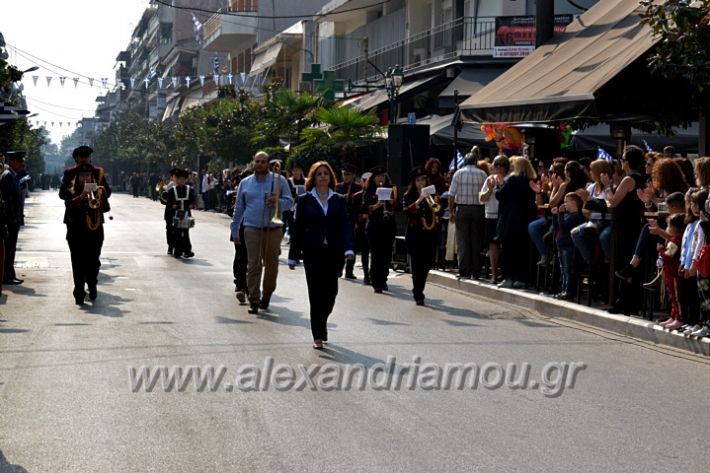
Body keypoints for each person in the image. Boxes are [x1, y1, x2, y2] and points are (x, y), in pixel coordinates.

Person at [288, 161, 354, 349]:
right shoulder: (304, 200)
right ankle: (317, 334)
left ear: (330, 177)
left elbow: (345, 226)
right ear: (313, 178)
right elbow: (298, 230)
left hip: (334, 253)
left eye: (326, 173)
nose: (323, 176)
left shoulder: (339, 200)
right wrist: (293, 255)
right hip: (312, 253)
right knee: (315, 294)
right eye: (319, 174)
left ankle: (322, 320)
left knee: (331, 293)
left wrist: (349, 249)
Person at [231, 151, 293, 314]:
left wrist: (277, 202)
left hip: (273, 229)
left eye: (263, 162)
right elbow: (239, 207)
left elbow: (290, 201)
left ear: (268, 164)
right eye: (257, 161)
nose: (260, 164)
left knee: (272, 266)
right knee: (254, 265)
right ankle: (254, 299)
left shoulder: (279, 180)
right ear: (253, 163)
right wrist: (235, 228)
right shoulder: (245, 183)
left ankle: (267, 295)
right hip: (252, 228)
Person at [58, 146, 112, 305]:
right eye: (81, 157)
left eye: (86, 156)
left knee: (93, 259)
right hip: (75, 223)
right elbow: (62, 195)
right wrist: (79, 196)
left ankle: (92, 283)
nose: (84, 159)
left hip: (95, 223)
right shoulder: (69, 173)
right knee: (77, 259)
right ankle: (79, 291)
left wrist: (98, 192)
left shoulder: (98, 172)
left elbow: (107, 193)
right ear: (76, 159)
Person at [495, 156, 537, 289]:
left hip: (511, 219)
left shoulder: (513, 180)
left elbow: (499, 195)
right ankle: (522, 278)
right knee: (522, 250)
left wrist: (499, 185)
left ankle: (508, 277)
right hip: (526, 219)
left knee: (508, 249)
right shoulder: (530, 181)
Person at [403, 167, 440, 305]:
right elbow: (407, 212)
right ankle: (418, 293)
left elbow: (438, 211)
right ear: (414, 182)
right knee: (417, 265)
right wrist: (419, 200)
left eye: (423, 180)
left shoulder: (432, 194)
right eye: (418, 180)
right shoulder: (408, 195)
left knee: (427, 264)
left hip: (430, 235)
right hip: (415, 235)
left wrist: (435, 200)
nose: (421, 183)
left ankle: (419, 288)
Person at [449, 153, 487, 279]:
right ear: (476, 161)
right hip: (478, 209)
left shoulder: (458, 173)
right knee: (476, 240)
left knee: (463, 240)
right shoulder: (482, 174)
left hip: (462, 208)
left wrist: (451, 211)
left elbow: (451, 195)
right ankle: (476, 270)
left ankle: (464, 269)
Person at [363, 165, 397, 293]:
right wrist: (377, 205)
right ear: (374, 178)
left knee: (386, 255)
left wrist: (391, 202)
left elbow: (397, 207)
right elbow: (364, 207)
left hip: (388, 226)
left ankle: (384, 280)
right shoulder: (369, 190)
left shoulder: (391, 189)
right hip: (374, 227)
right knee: (376, 255)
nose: (380, 179)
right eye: (378, 177)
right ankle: (376, 281)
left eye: (382, 176)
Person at [479, 155, 509, 283]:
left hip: (504, 215)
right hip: (491, 215)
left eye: (502, 165)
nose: (499, 167)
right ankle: (494, 274)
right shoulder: (489, 179)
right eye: (496, 165)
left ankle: (504, 273)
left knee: (504, 245)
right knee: (492, 245)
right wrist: (490, 189)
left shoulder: (509, 179)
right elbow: (481, 199)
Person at [551, 193, 585, 300]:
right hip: (561, 246)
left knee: (568, 269)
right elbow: (557, 227)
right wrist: (555, 215)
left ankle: (568, 292)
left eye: (566, 201)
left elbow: (564, 226)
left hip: (568, 246)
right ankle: (564, 290)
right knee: (563, 269)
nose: (564, 204)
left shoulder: (576, 216)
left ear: (573, 203)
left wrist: (560, 214)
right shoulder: (567, 215)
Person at [0, 151, 25, 286]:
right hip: (10, 220)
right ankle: (7, 276)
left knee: (11, 248)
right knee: (9, 248)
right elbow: (8, 200)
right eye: (20, 161)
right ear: (13, 161)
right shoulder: (8, 176)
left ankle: (9, 274)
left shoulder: (11, 175)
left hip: (12, 218)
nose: (22, 164)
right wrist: (12, 218)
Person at [335, 163, 362, 280]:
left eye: (348, 174)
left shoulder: (358, 188)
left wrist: (353, 199)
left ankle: (349, 271)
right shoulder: (338, 187)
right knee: (340, 245)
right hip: (340, 220)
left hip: (353, 219)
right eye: (344, 174)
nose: (345, 177)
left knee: (352, 245)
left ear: (353, 175)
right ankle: (339, 268)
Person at [166, 169, 196, 259]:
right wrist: (172, 206)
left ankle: (187, 250)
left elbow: (193, 200)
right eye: (179, 179)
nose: (181, 181)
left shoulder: (189, 190)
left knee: (186, 232)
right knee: (177, 233)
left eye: (183, 179)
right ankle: (177, 251)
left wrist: (192, 204)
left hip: (186, 214)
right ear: (176, 180)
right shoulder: (172, 191)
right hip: (176, 215)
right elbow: (168, 204)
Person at [161, 168, 178, 255]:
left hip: (179, 212)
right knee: (170, 229)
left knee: (177, 230)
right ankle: (170, 246)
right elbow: (164, 198)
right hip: (170, 211)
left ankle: (175, 246)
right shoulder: (171, 185)